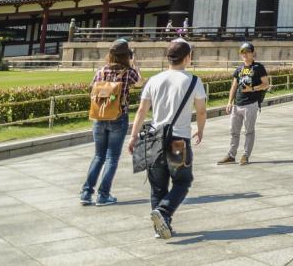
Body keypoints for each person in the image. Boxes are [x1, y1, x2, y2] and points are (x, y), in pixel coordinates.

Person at [127, 39, 207, 240]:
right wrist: (200, 129)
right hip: (178, 140)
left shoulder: (154, 80)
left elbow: (141, 111)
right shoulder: (193, 81)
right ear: (187, 58)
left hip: (154, 138)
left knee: (158, 186)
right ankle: (164, 212)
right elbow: (201, 111)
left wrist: (134, 135)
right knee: (182, 180)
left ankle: (160, 228)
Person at [81, 39, 142, 206]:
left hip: (99, 117)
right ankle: (103, 194)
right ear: (126, 55)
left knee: (98, 155)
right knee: (112, 157)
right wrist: (135, 64)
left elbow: (92, 89)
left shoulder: (101, 71)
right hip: (118, 117)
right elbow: (140, 83)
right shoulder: (128, 72)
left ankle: (86, 193)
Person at [219, 42, 270, 165]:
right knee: (234, 131)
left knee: (249, 131)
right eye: (242, 52)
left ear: (253, 53)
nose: (245, 54)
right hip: (237, 105)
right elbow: (234, 87)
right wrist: (229, 102)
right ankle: (231, 155)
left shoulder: (258, 68)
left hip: (250, 105)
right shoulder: (239, 69)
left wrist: (252, 89)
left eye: (247, 52)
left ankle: (246, 155)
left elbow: (266, 84)